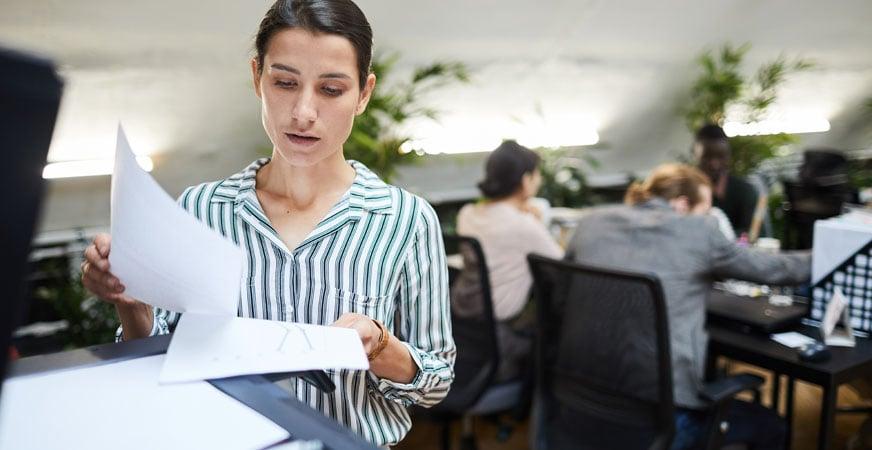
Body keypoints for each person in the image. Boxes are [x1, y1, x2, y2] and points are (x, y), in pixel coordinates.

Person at [79, 0, 454, 446]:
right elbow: (158, 359)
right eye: (284, 83)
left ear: (364, 93)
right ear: (257, 77)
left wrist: (380, 347)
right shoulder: (203, 210)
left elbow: (436, 381)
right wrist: (132, 301)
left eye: (331, 90)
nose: (303, 112)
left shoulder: (405, 221)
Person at [565, 163, 811, 450]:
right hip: (658, 421)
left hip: (575, 405)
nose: (708, 218)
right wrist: (829, 251)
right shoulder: (697, 230)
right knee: (772, 426)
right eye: (706, 211)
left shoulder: (591, 223)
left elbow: (561, 299)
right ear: (682, 205)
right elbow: (776, 269)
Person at [453, 140, 563, 381]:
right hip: (503, 341)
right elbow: (562, 267)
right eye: (536, 175)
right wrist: (535, 220)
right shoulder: (523, 226)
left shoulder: (467, 214)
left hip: (465, 336)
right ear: (525, 180)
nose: (539, 180)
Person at [693, 124, 760, 237]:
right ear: (695, 156)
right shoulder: (684, 191)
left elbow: (751, 234)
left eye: (721, 156)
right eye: (707, 157)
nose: (714, 164)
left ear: (729, 156)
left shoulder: (745, 192)